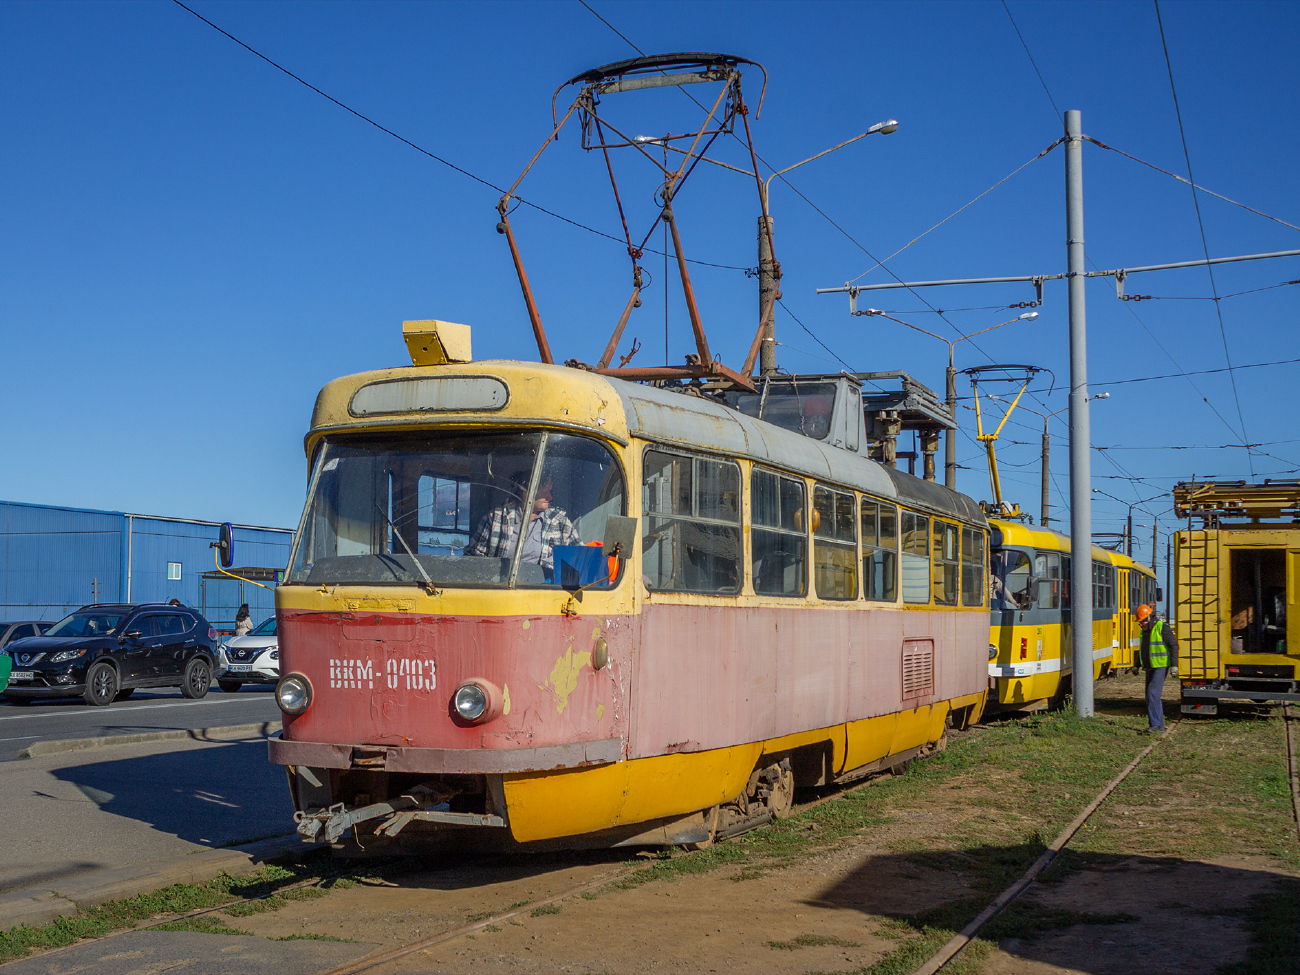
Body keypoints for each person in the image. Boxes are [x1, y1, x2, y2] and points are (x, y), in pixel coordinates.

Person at [466, 471, 579, 579]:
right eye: (545, 493)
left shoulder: (560, 522)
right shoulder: (496, 518)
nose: (550, 497)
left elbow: (581, 558)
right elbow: (472, 557)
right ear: (527, 491)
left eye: (550, 492)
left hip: (544, 593)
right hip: (501, 591)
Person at [1136, 603, 1177, 734]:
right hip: (1150, 667)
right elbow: (1142, 650)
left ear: (1148, 619)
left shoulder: (1162, 628)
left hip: (1160, 666)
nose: (1140, 625)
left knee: (1153, 693)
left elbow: (1174, 645)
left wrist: (1174, 665)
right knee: (1151, 695)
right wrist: (1136, 665)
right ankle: (1158, 725)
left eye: (1141, 622)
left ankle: (1155, 725)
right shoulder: (1145, 632)